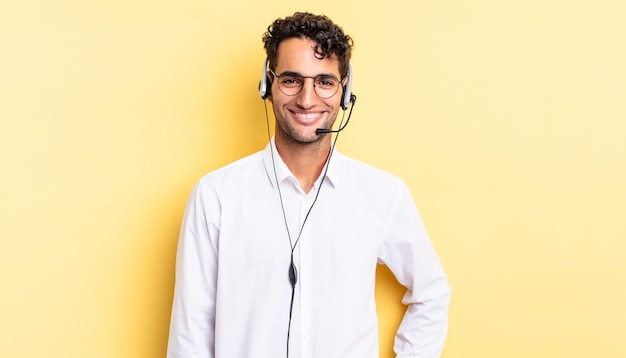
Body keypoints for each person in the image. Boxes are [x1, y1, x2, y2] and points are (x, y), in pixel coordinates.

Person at [167, 12, 451, 358]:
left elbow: (431, 292)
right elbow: (190, 333)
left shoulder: (383, 194)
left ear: (345, 91)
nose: (306, 99)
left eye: (324, 82)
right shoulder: (215, 197)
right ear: (266, 86)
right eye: (291, 80)